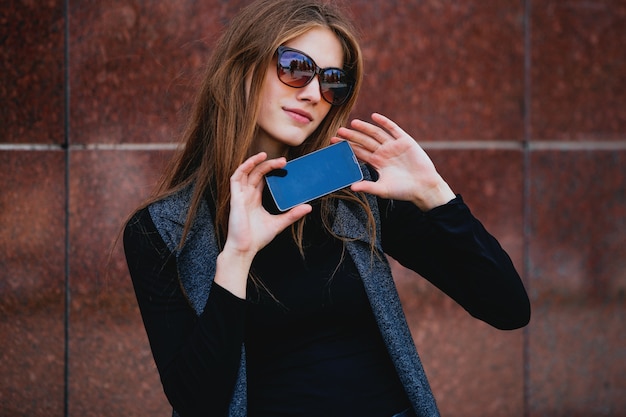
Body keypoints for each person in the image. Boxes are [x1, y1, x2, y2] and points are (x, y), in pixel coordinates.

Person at [122, 0, 531, 416]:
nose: (315, 93)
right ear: (242, 67)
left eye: (333, 81)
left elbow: (508, 308)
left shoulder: (354, 191)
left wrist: (437, 196)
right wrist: (236, 260)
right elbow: (197, 403)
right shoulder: (163, 229)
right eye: (296, 68)